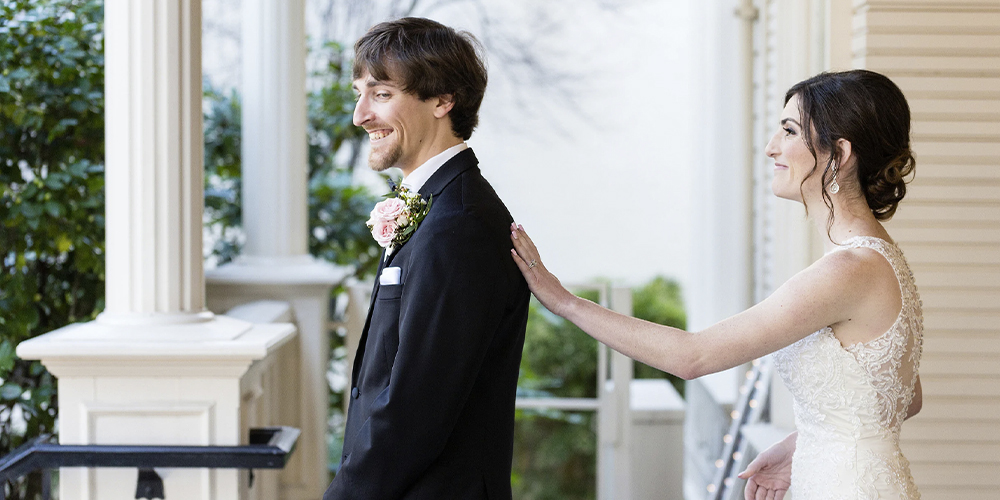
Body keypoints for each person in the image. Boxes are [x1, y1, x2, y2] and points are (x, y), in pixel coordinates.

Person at [509, 69, 923, 500]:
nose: (771, 148)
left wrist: (565, 302)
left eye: (789, 130)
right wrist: (802, 445)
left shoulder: (848, 269)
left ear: (839, 153)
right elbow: (904, 397)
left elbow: (694, 356)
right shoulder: (882, 257)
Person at [324, 18, 530, 499]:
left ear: (443, 100)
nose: (359, 115)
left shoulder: (458, 223)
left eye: (380, 94)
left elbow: (416, 405)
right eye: (359, 93)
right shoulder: (440, 205)